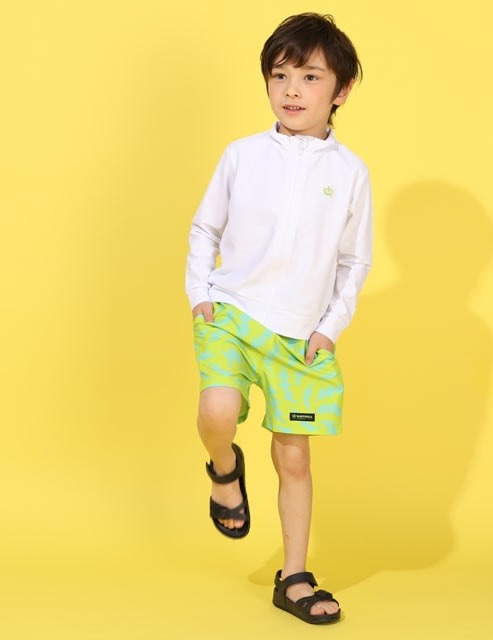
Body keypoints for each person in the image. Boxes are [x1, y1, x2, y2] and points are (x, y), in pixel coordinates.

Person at [185, 12, 372, 624]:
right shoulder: (242, 156)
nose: (292, 90)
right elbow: (206, 228)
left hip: (301, 334)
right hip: (232, 314)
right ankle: (224, 469)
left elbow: (354, 260)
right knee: (217, 410)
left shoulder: (350, 173)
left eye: (310, 77)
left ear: (341, 90)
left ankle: (293, 576)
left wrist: (329, 328)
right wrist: (200, 294)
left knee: (294, 459)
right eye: (280, 75)